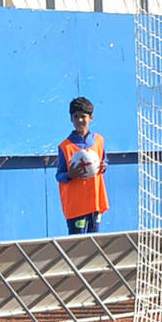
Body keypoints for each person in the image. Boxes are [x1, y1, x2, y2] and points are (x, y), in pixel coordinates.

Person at [55, 97, 109, 234]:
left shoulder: (98, 140)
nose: (79, 120)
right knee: (78, 244)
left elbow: (105, 160)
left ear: (91, 118)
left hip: (95, 201)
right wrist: (69, 175)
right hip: (77, 205)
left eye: (83, 116)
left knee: (95, 242)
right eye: (76, 117)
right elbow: (59, 175)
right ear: (71, 119)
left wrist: (104, 166)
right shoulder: (65, 147)